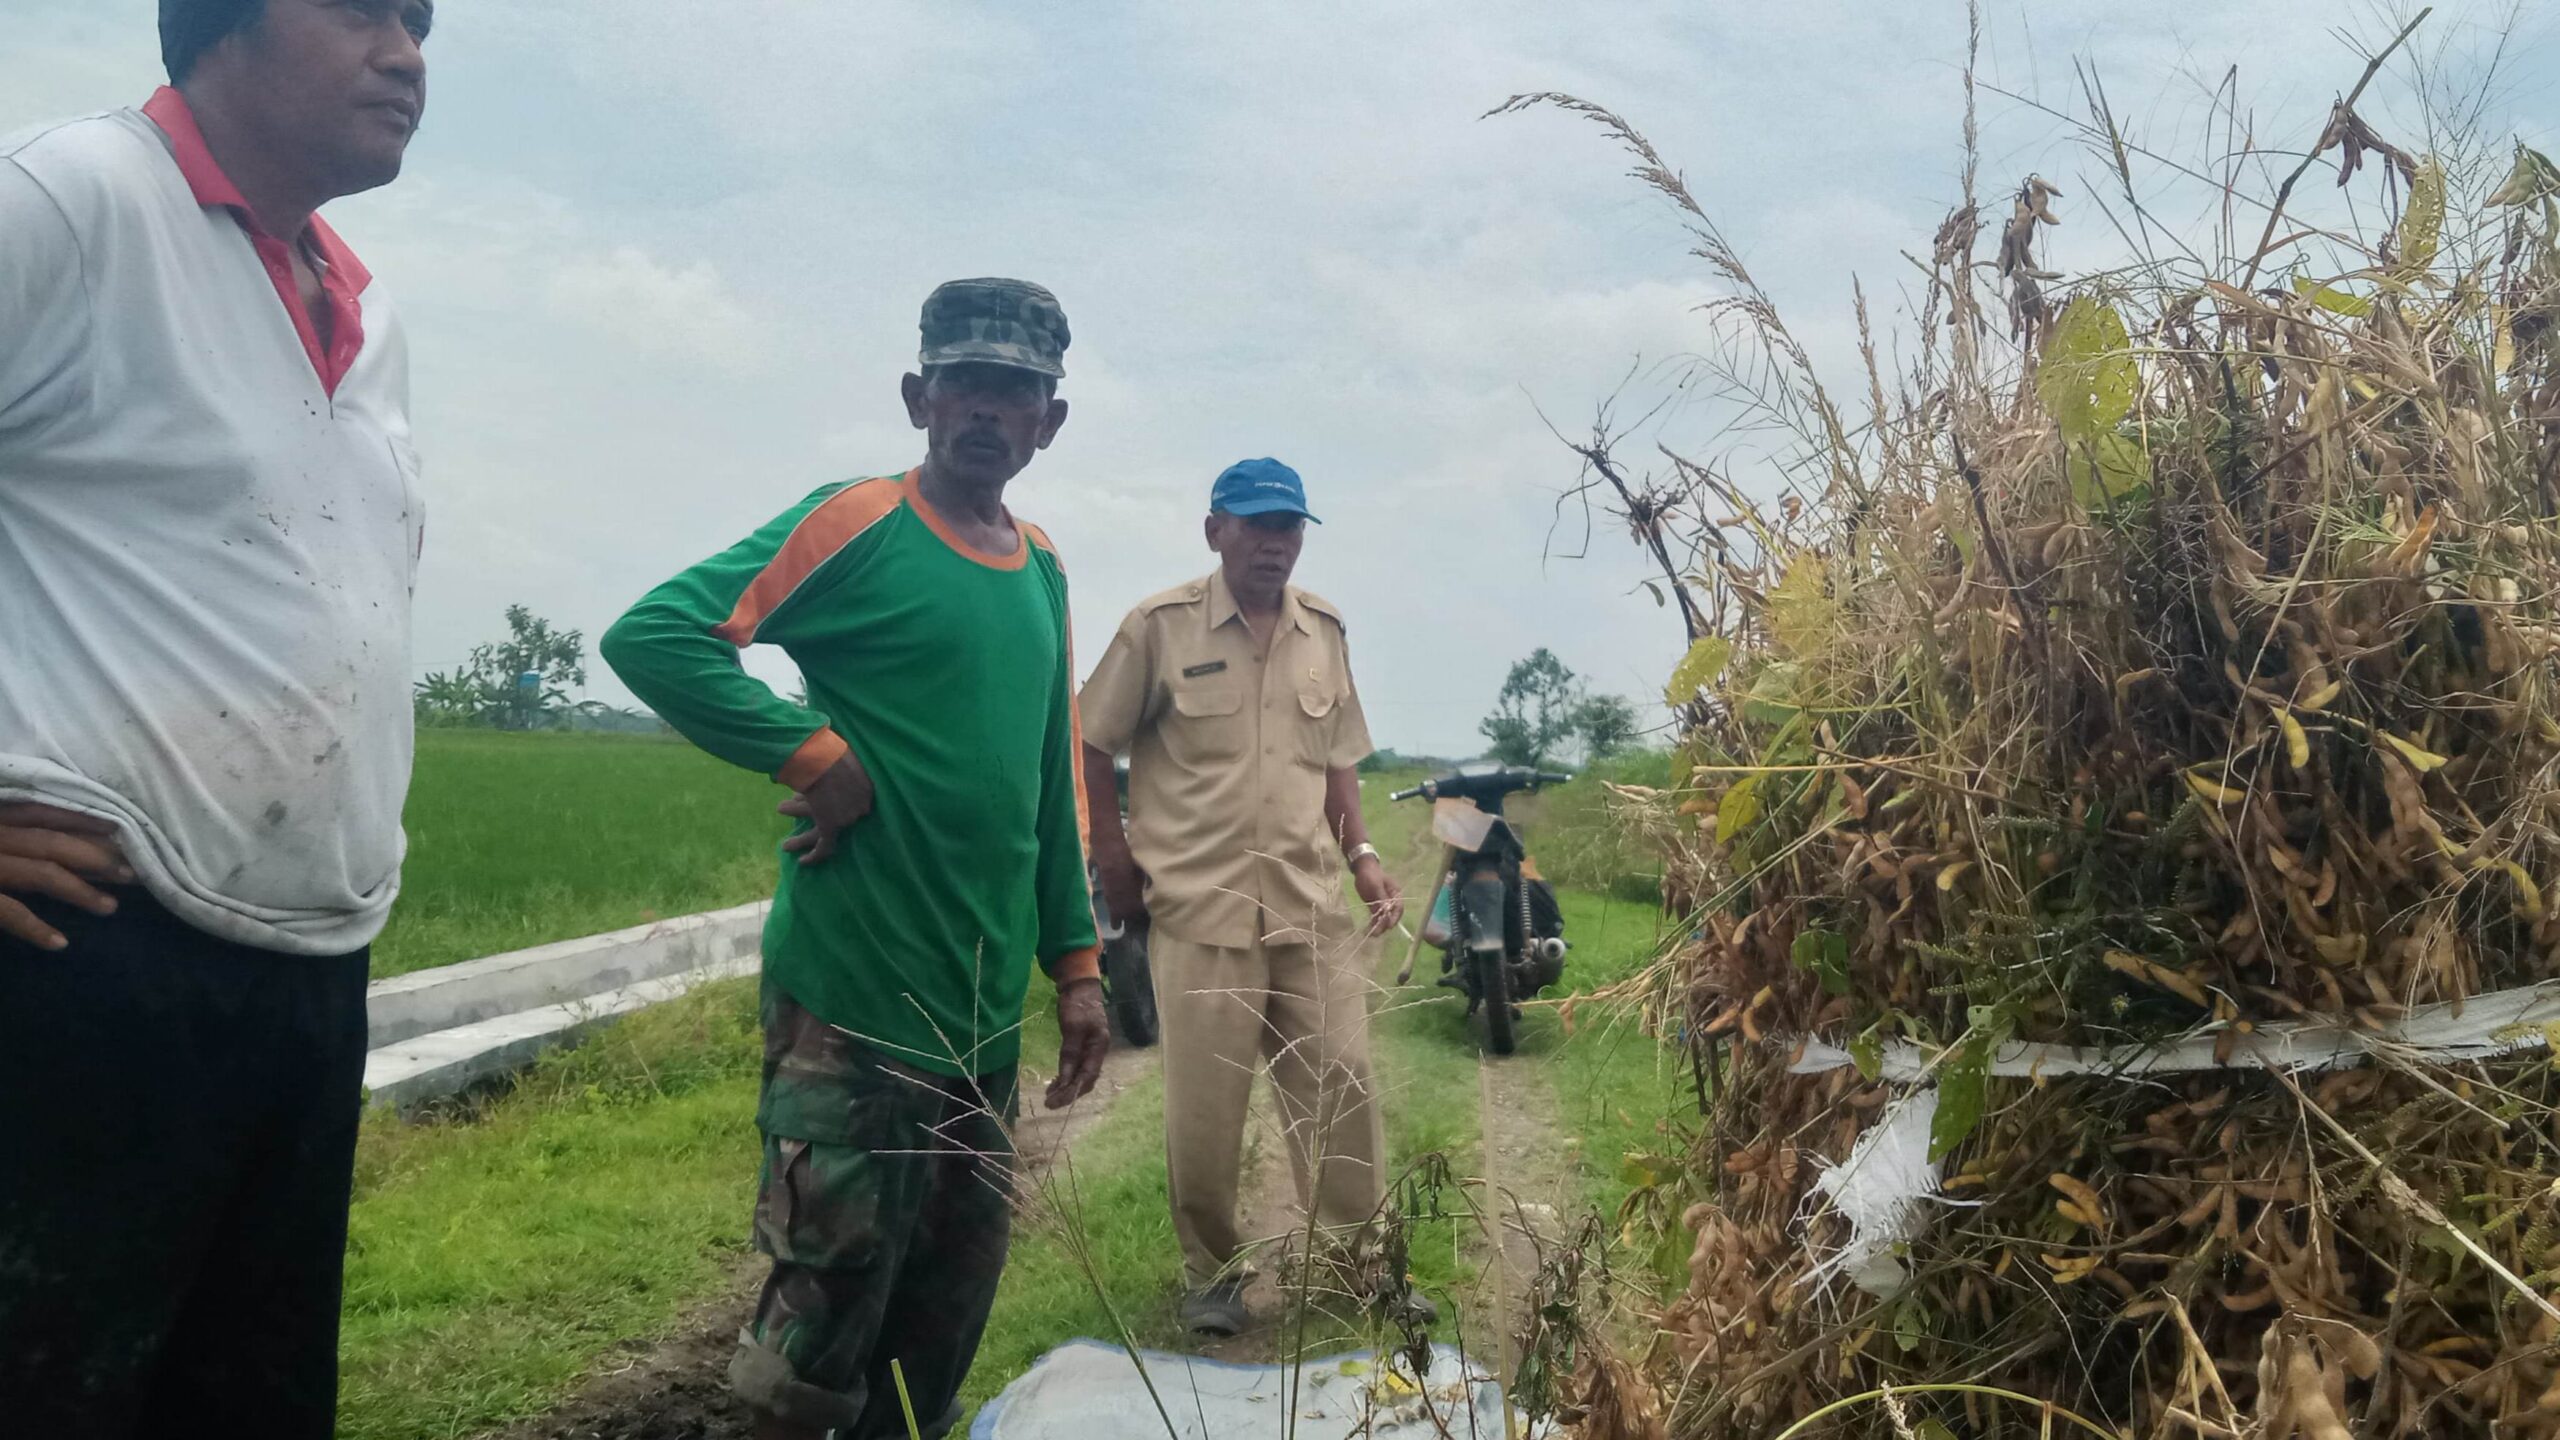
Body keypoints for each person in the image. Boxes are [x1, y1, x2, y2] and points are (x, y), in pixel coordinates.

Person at [0, 1, 435, 1433]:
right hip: (86, 953)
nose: (407, 52)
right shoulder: (76, 201)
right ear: (220, 22)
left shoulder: (363, 312)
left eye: (423, 21)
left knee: (245, 1402)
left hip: (308, 974)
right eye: (364, 10)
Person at [601, 278, 1109, 1440]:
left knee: (941, 1312)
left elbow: (1046, 782)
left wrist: (1076, 969)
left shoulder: (1042, 568)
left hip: (977, 1025)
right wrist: (808, 750)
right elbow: (656, 635)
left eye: (1016, 391)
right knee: (822, 1316)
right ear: (917, 396)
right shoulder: (857, 521)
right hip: (854, 1000)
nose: (987, 409)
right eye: (965, 383)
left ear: (1050, 421)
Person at [1078, 458, 1418, 1338]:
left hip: (1308, 903)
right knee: (1206, 1107)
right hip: (1199, 909)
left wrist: (1367, 854)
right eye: (1259, 525)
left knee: (1341, 1082)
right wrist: (1109, 851)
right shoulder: (1158, 628)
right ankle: (1215, 1276)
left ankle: (1360, 1269)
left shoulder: (1325, 632)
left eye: (1291, 527)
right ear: (1215, 530)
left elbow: (1336, 760)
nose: (1276, 543)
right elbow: (1090, 738)